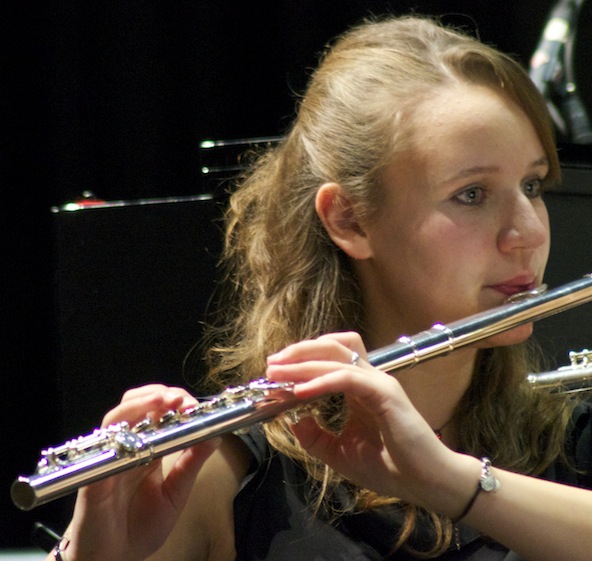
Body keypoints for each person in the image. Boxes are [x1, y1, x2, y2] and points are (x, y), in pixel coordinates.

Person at [46, 14, 592, 561]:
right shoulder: (220, 477)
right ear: (349, 220)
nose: (529, 232)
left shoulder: (571, 443)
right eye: (471, 194)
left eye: (532, 185)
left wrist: (451, 480)